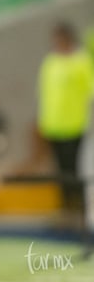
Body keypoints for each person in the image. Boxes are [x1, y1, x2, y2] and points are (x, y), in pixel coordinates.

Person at [37, 21, 94, 213]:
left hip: (74, 124)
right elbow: (45, 94)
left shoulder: (81, 61)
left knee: (72, 169)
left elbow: (90, 88)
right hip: (54, 125)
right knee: (60, 169)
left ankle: (77, 207)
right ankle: (66, 207)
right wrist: (43, 121)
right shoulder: (50, 62)